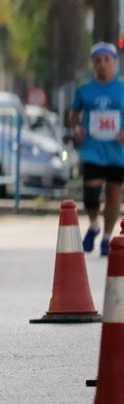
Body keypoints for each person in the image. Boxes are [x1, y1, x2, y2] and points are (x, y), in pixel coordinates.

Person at [70, 41, 124, 257]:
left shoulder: (122, 85)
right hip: (92, 148)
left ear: (114, 62)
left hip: (117, 150)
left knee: (113, 191)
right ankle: (93, 224)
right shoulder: (84, 88)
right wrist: (76, 127)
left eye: (106, 60)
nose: (102, 64)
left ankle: (106, 237)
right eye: (98, 61)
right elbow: (74, 114)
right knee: (91, 194)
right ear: (93, 64)